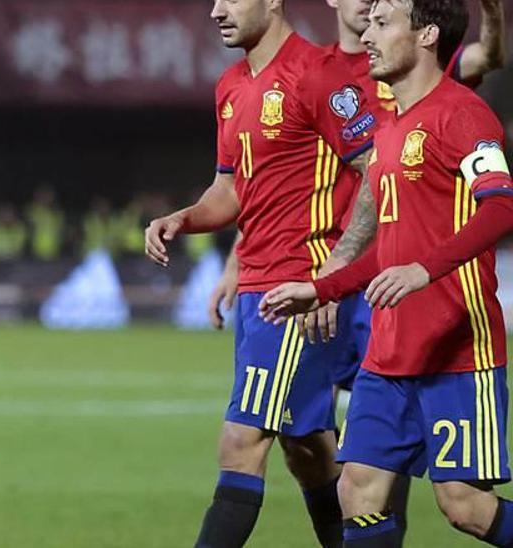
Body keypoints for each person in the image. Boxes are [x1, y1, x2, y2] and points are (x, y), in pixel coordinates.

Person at [260, 2, 513, 544]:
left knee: (464, 507)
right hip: (389, 349)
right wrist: (320, 287)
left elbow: (500, 207)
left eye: (382, 23)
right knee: (357, 489)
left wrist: (424, 270)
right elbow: (393, 248)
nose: (367, 35)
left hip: (457, 348)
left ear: (424, 34)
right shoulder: (392, 130)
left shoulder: (461, 114)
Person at [144, 0, 382, 544]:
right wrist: (184, 218)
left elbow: (376, 171)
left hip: (298, 292)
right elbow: (229, 190)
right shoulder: (231, 85)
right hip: (257, 286)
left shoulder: (318, 76)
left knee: (241, 441)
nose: (215, 11)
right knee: (310, 452)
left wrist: (334, 271)